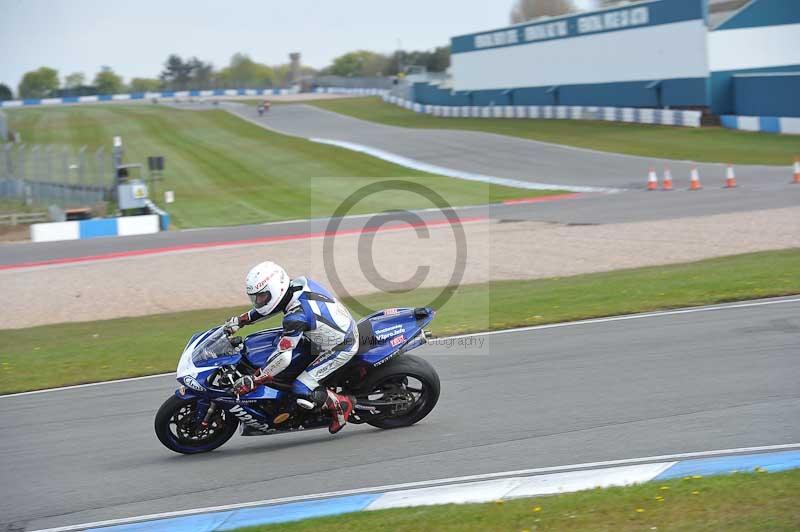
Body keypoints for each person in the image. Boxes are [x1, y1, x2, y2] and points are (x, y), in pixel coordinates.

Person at [225, 261, 358, 434]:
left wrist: (254, 380)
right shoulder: (297, 285)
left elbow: (282, 358)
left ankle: (341, 405)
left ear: (274, 290)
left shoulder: (296, 317)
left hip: (339, 346)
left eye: (261, 297)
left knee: (301, 387)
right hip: (320, 335)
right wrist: (241, 321)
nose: (258, 302)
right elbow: (271, 306)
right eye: (255, 297)